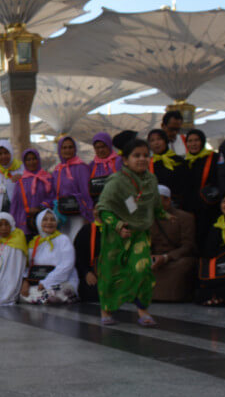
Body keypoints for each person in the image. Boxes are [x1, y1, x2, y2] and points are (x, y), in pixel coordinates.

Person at [95, 137, 168, 326]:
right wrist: (118, 226)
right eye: (137, 156)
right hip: (115, 235)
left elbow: (155, 204)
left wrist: (164, 215)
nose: (142, 159)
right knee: (112, 273)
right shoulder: (116, 181)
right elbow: (103, 209)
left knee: (142, 269)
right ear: (125, 160)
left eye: (145, 155)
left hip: (140, 233)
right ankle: (106, 310)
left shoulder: (151, 179)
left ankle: (143, 310)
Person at [20, 209, 79, 305]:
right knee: (22, 293)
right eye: (45, 220)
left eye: (52, 220)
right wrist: (26, 281)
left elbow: (67, 265)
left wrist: (46, 282)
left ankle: (41, 298)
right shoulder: (34, 242)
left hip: (61, 282)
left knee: (51, 293)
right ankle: (40, 298)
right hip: (39, 284)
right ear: (39, 222)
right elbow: (29, 266)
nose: (49, 223)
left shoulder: (63, 239)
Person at [150, 185, 196, 303]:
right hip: (154, 257)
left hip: (176, 257)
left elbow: (188, 246)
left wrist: (166, 257)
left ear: (167, 200)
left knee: (181, 266)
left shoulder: (185, 218)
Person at [182, 128, 221, 250]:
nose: (193, 144)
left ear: (202, 141)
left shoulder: (214, 158)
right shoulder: (185, 162)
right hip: (191, 210)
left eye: (196, 140)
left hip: (210, 208)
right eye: (190, 141)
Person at [52, 135, 94, 238]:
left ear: (75, 149)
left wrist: (88, 214)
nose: (68, 150)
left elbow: (86, 191)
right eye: (64, 147)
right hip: (62, 215)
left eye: (70, 147)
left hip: (78, 214)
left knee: (76, 240)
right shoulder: (57, 170)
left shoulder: (81, 167)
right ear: (59, 150)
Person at [12, 148, 53, 235]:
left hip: (45, 221)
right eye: (28, 159)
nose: (31, 162)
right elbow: (15, 205)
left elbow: (53, 196)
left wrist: (40, 207)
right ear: (24, 162)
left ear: (38, 159)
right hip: (25, 223)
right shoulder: (20, 182)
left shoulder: (47, 178)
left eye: (34, 158)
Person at [147, 128, 187, 204]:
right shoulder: (147, 164)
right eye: (152, 140)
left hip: (178, 203)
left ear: (165, 141)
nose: (156, 143)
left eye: (159, 139)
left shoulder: (178, 161)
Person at [72, 220, 102, 303]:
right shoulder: (87, 230)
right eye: (96, 208)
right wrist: (86, 272)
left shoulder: (119, 230)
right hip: (93, 275)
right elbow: (78, 255)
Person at [89, 132, 122, 203]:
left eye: (103, 146)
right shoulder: (92, 165)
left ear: (109, 145)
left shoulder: (119, 161)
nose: (100, 150)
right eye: (97, 147)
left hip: (119, 201)